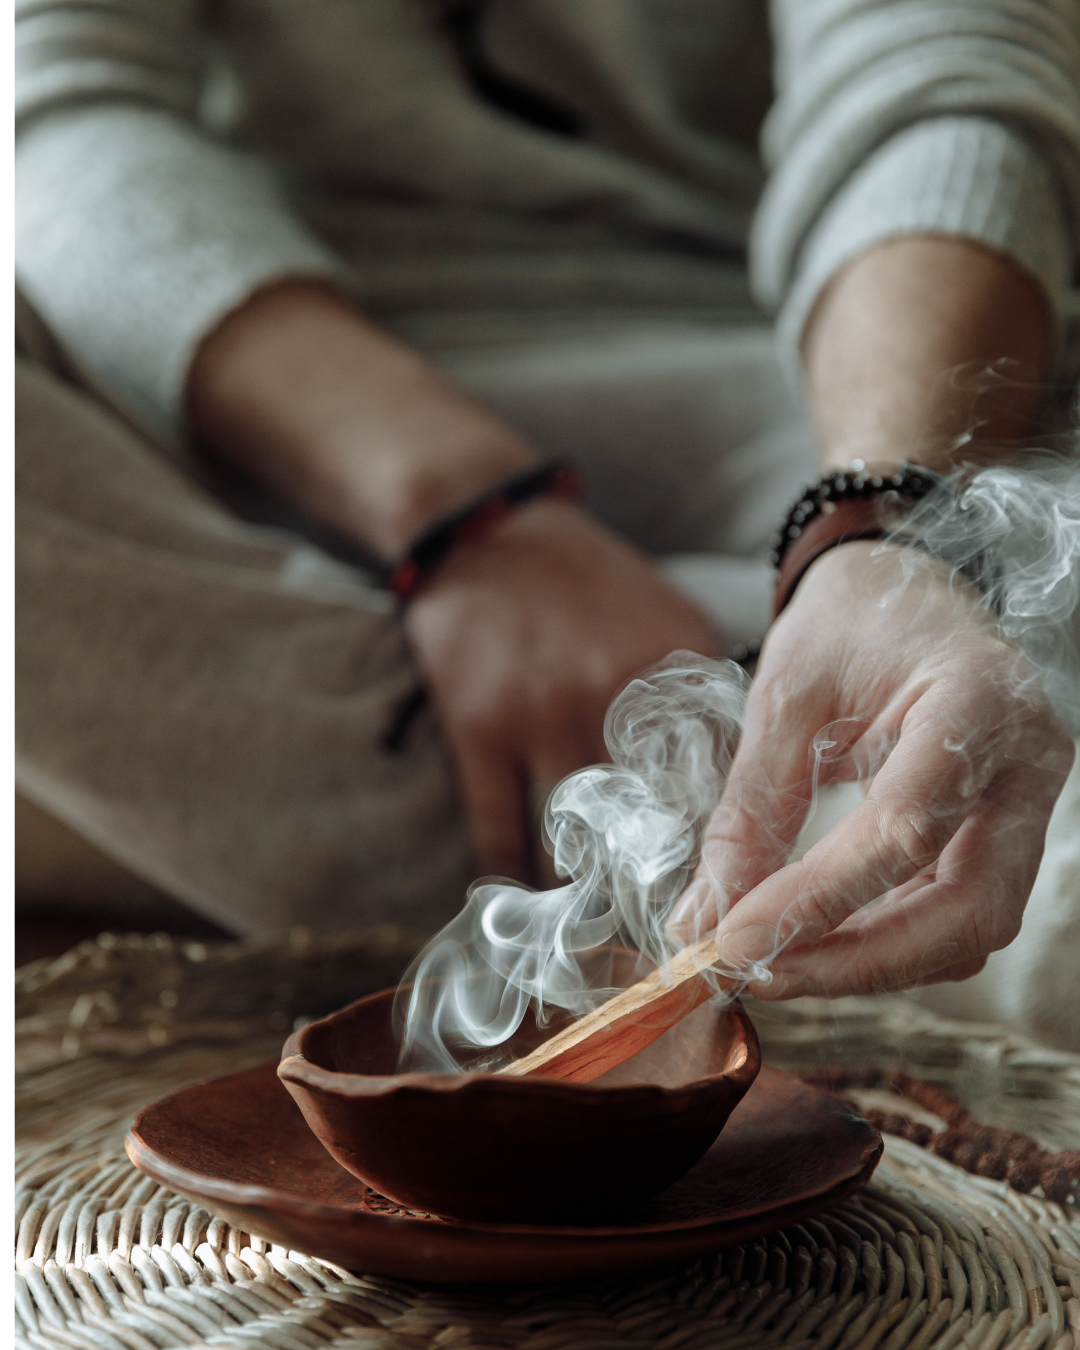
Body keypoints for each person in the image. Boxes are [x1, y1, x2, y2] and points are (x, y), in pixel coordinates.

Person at [15, 2, 1080, 1025]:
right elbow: (58, 113)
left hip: (822, 378)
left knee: (1028, 548)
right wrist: (477, 516)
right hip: (277, 402)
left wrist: (884, 539)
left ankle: (232, 824)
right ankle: (807, 849)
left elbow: (937, 83)